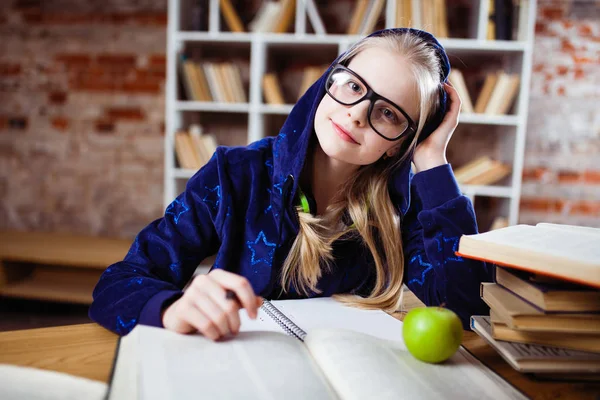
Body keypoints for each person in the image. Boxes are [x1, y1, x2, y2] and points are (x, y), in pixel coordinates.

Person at [89, 28, 493, 339]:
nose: (356, 115)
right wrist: (170, 308)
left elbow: (468, 308)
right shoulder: (235, 175)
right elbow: (118, 283)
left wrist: (432, 159)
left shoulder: (401, 212)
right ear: (328, 83)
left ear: (401, 144)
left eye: (387, 114)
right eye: (353, 87)